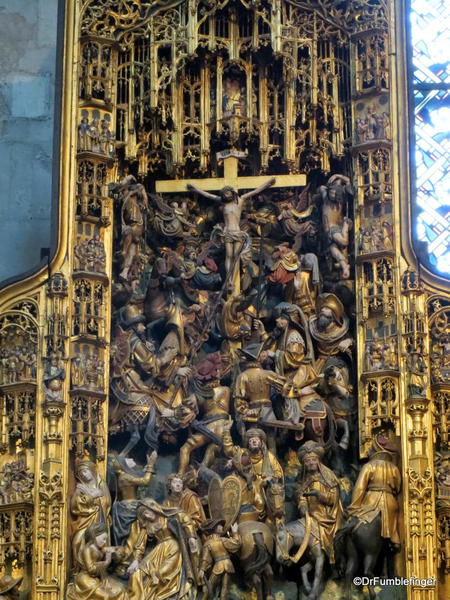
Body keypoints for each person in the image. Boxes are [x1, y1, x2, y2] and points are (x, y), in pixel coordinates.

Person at [186, 177, 276, 285]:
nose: (225, 194)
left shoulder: (240, 200)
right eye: (223, 193)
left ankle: (234, 279)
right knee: (229, 256)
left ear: (232, 193)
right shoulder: (223, 203)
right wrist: (195, 189)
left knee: (236, 257)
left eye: (227, 192)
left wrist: (267, 184)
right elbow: (208, 195)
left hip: (238, 233)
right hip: (227, 233)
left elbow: (255, 191)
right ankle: (230, 281)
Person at [123, 499, 197, 600]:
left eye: (147, 512)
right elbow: (140, 545)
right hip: (158, 551)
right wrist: (135, 560)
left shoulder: (168, 517)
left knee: (161, 573)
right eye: (144, 515)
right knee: (138, 572)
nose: (147, 516)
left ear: (153, 507)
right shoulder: (148, 526)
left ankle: (161, 596)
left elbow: (185, 518)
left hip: (174, 548)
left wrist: (191, 536)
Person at [347, 434, 401, 551]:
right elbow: (398, 486)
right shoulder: (394, 468)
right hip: (390, 500)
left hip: (371, 498)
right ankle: (394, 538)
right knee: (393, 519)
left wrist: (354, 507)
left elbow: (360, 488)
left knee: (363, 518)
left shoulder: (369, 466)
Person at [297, 441, 344, 564]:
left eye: (313, 460)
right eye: (307, 461)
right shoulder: (304, 480)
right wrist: (302, 506)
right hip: (310, 515)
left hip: (328, 516)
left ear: (319, 461)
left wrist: (318, 494)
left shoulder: (328, 477)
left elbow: (334, 498)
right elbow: (301, 497)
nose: (310, 463)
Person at [67, 523, 127, 600]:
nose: (105, 542)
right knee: (104, 596)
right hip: (85, 578)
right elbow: (91, 570)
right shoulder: (87, 550)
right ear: (94, 536)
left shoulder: (100, 548)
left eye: (106, 539)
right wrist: (106, 562)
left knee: (120, 590)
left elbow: (117, 549)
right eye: (103, 539)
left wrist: (117, 551)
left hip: (98, 578)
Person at [70, 459, 111, 570]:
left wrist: (99, 497)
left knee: (100, 543)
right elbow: (74, 506)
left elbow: (107, 502)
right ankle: (80, 569)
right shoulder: (80, 488)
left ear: (92, 470)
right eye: (81, 473)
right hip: (84, 520)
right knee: (77, 542)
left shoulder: (101, 484)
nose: (84, 475)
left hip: (99, 520)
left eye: (86, 471)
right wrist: (93, 496)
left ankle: (98, 567)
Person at [110, 451, 157, 546]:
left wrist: (147, 466)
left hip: (128, 506)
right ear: (122, 464)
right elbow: (145, 481)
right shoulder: (125, 477)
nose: (131, 460)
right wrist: (151, 465)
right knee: (133, 533)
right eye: (128, 459)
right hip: (130, 507)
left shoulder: (123, 475)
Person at [198, 519, 241, 600]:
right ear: (214, 528)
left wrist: (202, 569)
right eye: (219, 526)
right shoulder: (219, 541)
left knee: (217, 587)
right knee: (216, 586)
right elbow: (205, 559)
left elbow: (205, 559)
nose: (222, 527)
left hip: (222, 565)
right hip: (226, 565)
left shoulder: (212, 542)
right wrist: (202, 569)